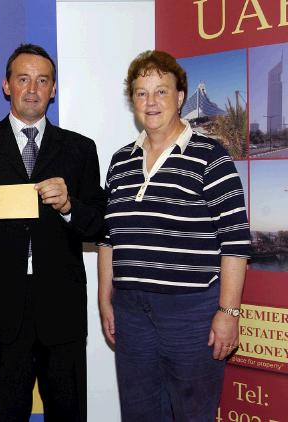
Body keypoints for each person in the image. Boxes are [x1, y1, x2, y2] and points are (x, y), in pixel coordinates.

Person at [0, 44, 107, 421]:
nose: (32, 89)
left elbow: (101, 223)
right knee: (8, 414)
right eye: (23, 79)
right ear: (6, 86)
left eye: (42, 80)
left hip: (62, 311)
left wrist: (70, 207)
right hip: (2, 310)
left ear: (53, 89)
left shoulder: (80, 149)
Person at [97, 50, 250, 421]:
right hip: (131, 311)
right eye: (141, 92)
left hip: (191, 312)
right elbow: (107, 236)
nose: (151, 102)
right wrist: (106, 299)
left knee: (192, 413)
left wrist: (228, 312)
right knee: (140, 413)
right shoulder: (120, 161)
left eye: (161, 91)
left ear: (180, 96)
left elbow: (235, 240)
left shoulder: (210, 157)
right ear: (132, 100)